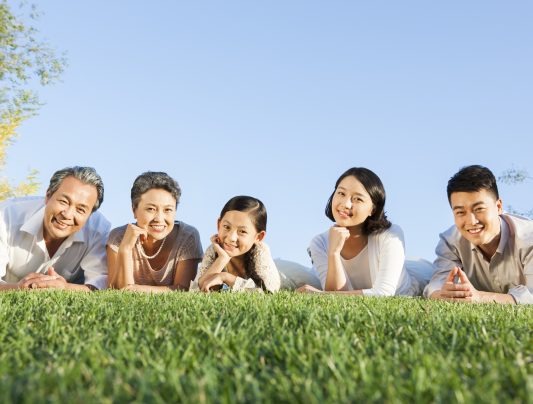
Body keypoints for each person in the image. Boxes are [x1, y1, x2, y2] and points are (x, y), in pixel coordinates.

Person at [298, 167, 431, 296]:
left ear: (373, 209)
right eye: (341, 193)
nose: (346, 204)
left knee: (430, 275)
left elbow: (384, 293)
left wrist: (320, 295)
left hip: (417, 275)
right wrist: (334, 253)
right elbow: (336, 296)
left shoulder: (390, 234)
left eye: (358, 199)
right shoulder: (319, 243)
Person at [425, 165, 533, 304]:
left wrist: (479, 297)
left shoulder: (528, 237)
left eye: (479, 209)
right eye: (460, 212)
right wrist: (444, 293)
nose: (471, 221)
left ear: (498, 207)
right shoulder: (451, 241)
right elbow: (436, 285)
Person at [0, 166, 110, 291]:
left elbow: (98, 286)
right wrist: (20, 288)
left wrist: (65, 287)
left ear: (90, 215)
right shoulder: (5, 217)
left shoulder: (99, 230)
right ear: (48, 196)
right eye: (64, 201)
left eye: (80, 209)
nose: (67, 215)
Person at [106, 172, 203, 292]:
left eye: (168, 210)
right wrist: (125, 249)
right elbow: (117, 290)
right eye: (151, 209)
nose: (159, 219)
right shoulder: (118, 237)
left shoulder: (188, 236)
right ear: (134, 210)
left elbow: (183, 289)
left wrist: (137, 289)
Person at [192, 195, 281, 292]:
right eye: (226, 227)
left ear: (258, 237)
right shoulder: (214, 249)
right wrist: (222, 259)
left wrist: (225, 277)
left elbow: (269, 293)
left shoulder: (260, 251)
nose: (231, 238)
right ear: (218, 224)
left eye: (242, 231)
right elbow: (195, 292)